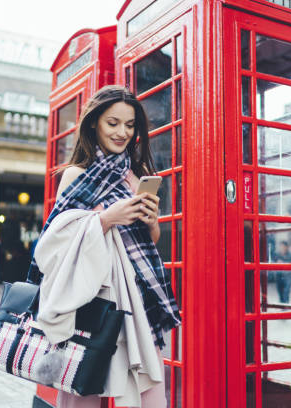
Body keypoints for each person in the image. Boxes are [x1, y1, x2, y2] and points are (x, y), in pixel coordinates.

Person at [26, 85, 180, 408]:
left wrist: (152, 222)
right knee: (84, 388)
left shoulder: (136, 179)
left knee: (147, 390)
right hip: (91, 299)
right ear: (94, 122)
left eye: (130, 124)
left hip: (135, 304)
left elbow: (147, 245)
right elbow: (53, 245)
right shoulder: (75, 176)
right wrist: (106, 218)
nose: (123, 132)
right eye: (113, 123)